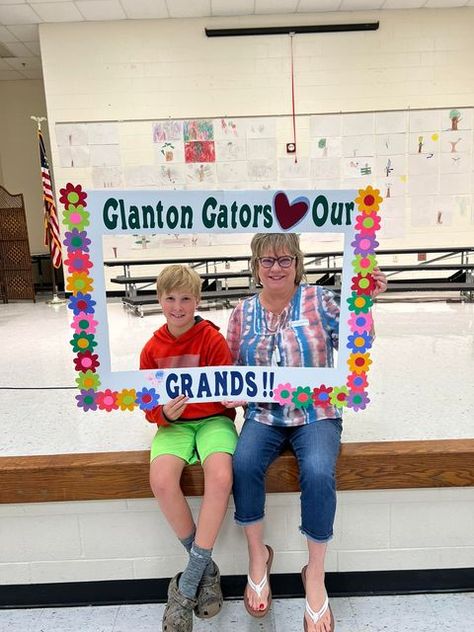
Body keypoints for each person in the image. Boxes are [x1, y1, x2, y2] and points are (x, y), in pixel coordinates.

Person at [225, 234, 387, 632]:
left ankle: (314, 574)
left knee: (317, 471)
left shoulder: (321, 301)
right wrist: (227, 394)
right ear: (255, 265)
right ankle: (258, 557)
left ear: (297, 263)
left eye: (284, 259)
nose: (276, 267)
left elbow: (356, 345)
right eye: (267, 260)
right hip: (263, 414)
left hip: (316, 413)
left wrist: (366, 304)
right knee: (242, 464)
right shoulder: (241, 312)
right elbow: (227, 366)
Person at [140, 264, 238, 632]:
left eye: (185, 298)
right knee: (163, 481)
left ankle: (184, 589)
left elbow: (229, 389)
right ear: (159, 301)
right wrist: (162, 412)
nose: (178, 306)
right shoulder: (151, 349)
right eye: (170, 298)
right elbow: (148, 405)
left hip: (214, 421)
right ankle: (205, 573)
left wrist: (233, 400)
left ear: (197, 301)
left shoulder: (211, 340)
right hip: (175, 424)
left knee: (221, 476)